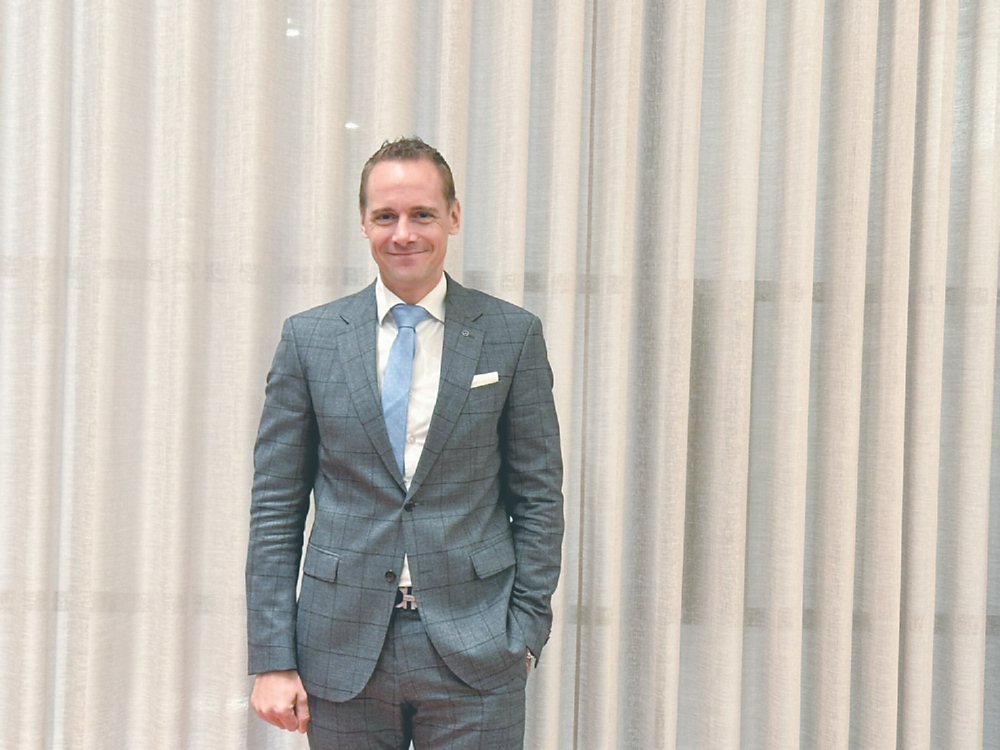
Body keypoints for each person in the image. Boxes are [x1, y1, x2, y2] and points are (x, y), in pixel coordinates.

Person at [245, 136, 564, 749]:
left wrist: (524, 632)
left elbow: (539, 498)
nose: (404, 234)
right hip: (340, 646)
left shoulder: (511, 335)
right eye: (386, 216)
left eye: (422, 214)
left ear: (454, 216)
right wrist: (273, 656)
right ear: (363, 222)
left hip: (478, 646)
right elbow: (276, 507)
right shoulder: (310, 340)